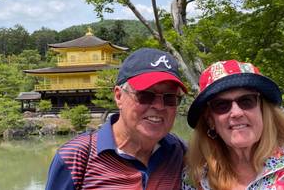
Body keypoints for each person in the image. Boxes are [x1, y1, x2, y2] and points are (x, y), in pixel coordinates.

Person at [46, 47, 188, 190]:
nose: (159, 106)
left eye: (169, 98)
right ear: (119, 96)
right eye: (146, 95)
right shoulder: (75, 158)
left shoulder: (181, 152)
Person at [182, 60, 284, 190]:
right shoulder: (196, 179)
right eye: (222, 105)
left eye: (246, 101)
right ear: (210, 121)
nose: (236, 113)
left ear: (263, 111)